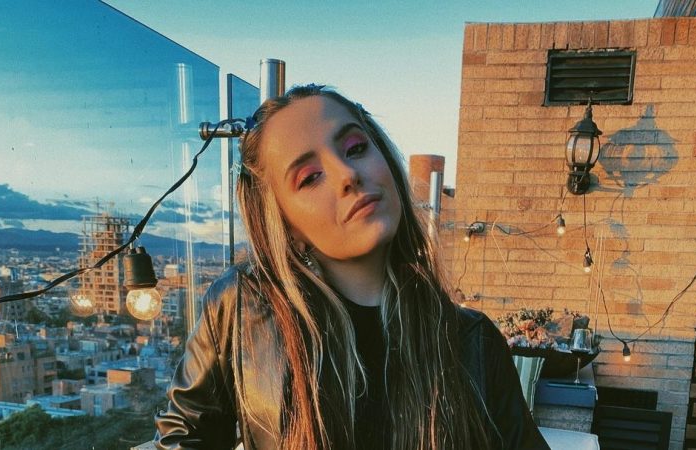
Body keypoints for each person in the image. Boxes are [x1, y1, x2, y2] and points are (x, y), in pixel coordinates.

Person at [154, 84, 550, 450]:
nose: (348, 175)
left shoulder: (472, 343)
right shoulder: (242, 308)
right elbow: (182, 438)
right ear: (286, 224)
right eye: (310, 177)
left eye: (356, 148)